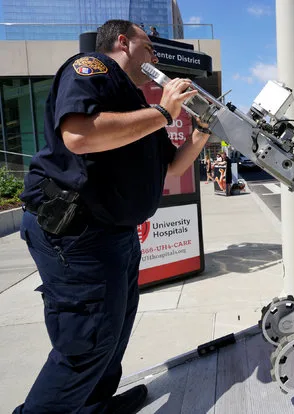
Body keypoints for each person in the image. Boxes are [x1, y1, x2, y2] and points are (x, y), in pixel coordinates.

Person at [15, 19, 212, 413]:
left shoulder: (139, 104)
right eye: (149, 47)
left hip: (115, 234)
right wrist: (162, 113)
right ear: (123, 41)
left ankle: (95, 406)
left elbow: (172, 167)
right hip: (76, 232)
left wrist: (202, 130)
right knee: (85, 342)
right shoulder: (91, 69)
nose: (155, 57)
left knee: (114, 327)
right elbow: (80, 135)